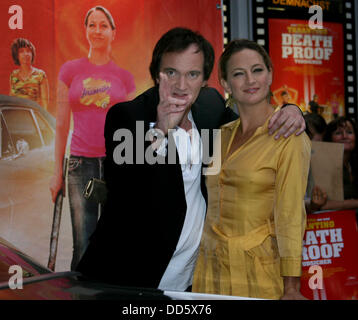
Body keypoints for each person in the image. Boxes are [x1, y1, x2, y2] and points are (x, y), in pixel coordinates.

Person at [76, 28, 305, 291]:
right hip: (125, 279)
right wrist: (160, 132)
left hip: (190, 283)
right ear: (155, 74)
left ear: (205, 80)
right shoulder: (128, 117)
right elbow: (127, 187)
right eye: (171, 72)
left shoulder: (210, 109)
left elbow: (251, 130)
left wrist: (291, 109)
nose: (181, 85)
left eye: (193, 74)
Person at [192, 39, 311, 299]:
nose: (250, 80)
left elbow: (291, 214)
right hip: (209, 272)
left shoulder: (288, 136)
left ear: (270, 74)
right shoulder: (219, 135)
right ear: (225, 83)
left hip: (258, 275)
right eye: (238, 73)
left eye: (257, 70)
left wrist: (291, 287)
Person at [49, 6, 135, 271]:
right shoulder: (69, 71)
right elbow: (62, 124)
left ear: (113, 33)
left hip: (116, 165)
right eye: (92, 25)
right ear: (86, 31)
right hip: (80, 165)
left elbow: (130, 129)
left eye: (103, 26)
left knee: (114, 242)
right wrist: (57, 173)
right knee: (84, 245)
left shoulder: (125, 78)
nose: (97, 31)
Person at [315, 117, 358, 210]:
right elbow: (321, 205)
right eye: (338, 133)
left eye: (349, 132)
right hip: (333, 221)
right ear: (329, 138)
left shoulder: (353, 163)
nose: (344, 136)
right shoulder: (323, 164)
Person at [10, 38, 49, 110]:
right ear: (16, 55)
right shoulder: (13, 75)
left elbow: (45, 104)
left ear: (32, 53)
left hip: (33, 117)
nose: (26, 54)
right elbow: (11, 100)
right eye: (21, 51)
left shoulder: (40, 75)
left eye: (28, 51)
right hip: (16, 116)